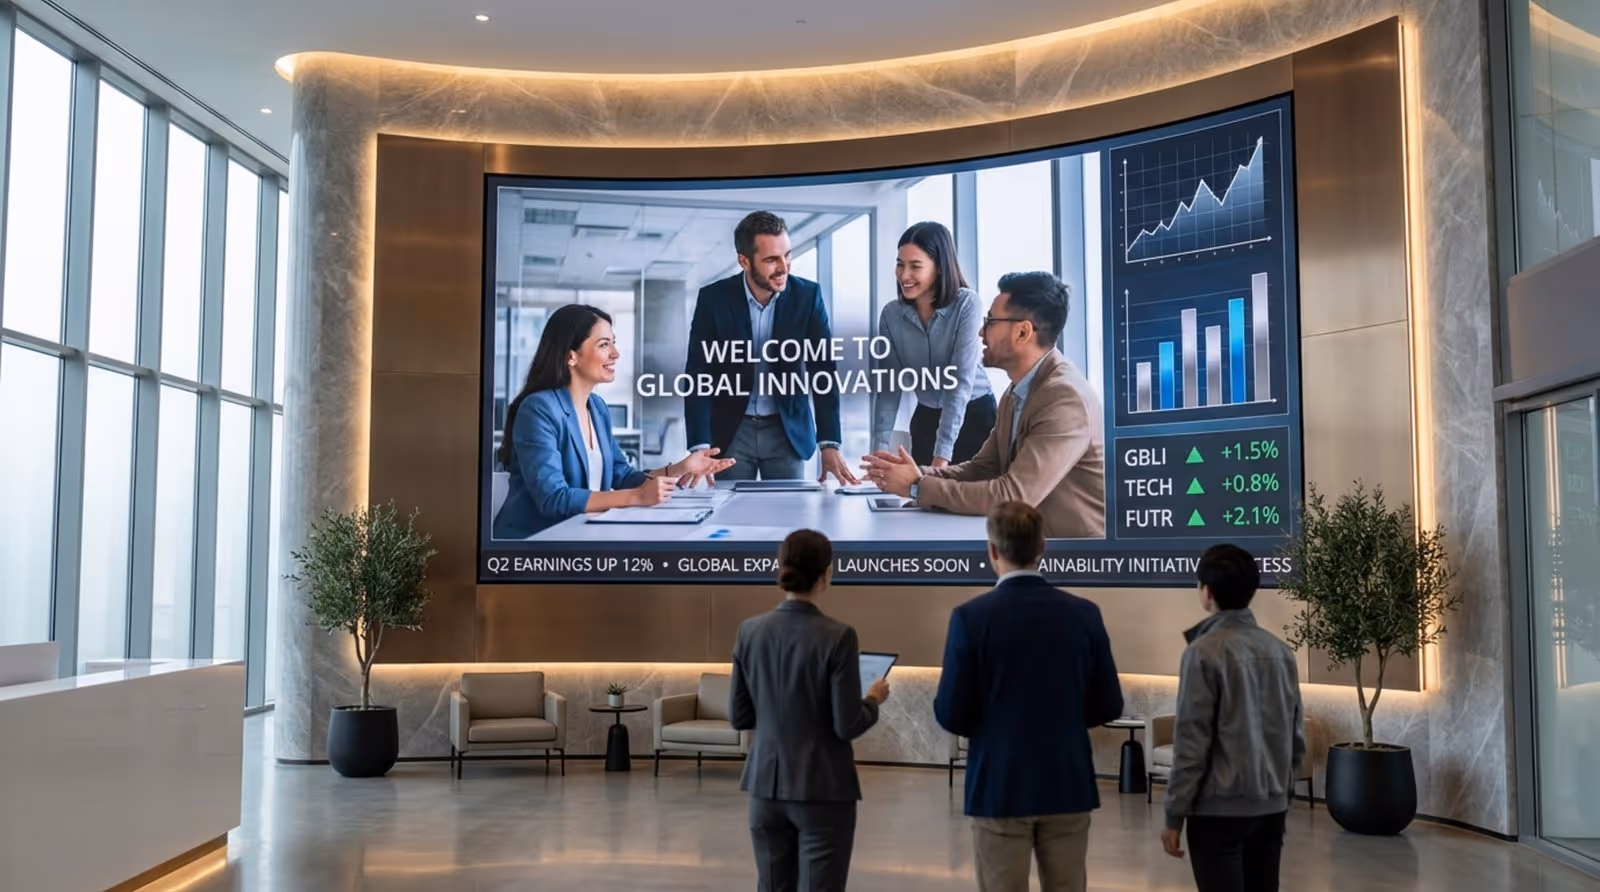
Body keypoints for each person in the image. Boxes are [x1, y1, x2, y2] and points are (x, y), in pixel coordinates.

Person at [934, 501, 1124, 892]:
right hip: (1067, 782)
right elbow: (1109, 705)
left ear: (991, 551)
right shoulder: (1084, 614)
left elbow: (952, 713)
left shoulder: (970, 618)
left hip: (998, 786)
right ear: (1043, 548)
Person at [859, 271, 1106, 539]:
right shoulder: (1018, 390)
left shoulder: (1063, 398)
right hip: (1032, 548)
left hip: (1076, 561)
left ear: (1023, 332)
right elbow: (982, 468)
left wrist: (918, 487)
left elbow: (1013, 496)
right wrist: (919, 473)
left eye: (990, 321)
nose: (980, 331)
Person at [729, 529, 891, 892]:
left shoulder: (749, 631)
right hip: (823, 790)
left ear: (780, 568)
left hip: (764, 790)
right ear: (826, 574)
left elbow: (739, 717)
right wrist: (873, 700)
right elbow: (847, 724)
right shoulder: (839, 636)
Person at [493, 304, 734, 539]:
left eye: (614, 343)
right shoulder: (539, 409)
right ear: (571, 356)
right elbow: (553, 498)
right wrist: (636, 497)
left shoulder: (596, 407)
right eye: (604, 345)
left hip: (579, 535)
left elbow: (623, 476)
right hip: (533, 545)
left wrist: (681, 468)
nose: (615, 354)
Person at [1161, 544, 1306, 892]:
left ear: (1206, 592)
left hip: (1218, 810)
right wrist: (1282, 792)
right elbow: (1295, 735)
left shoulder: (1201, 653)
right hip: (1271, 806)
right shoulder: (1280, 651)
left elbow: (1191, 743)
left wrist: (1173, 815)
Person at [683, 210, 858, 485]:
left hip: (786, 431)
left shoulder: (808, 297)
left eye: (787, 255)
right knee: (732, 520)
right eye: (771, 260)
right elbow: (698, 375)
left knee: (788, 521)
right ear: (745, 261)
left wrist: (830, 443)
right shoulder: (713, 299)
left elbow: (823, 371)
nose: (784, 267)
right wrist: (699, 445)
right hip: (732, 432)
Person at [872, 221, 996, 467]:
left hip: (974, 415)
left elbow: (959, 385)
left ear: (939, 267)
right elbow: (888, 387)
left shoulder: (966, 304)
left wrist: (942, 458)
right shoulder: (891, 315)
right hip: (926, 417)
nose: (904, 275)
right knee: (922, 501)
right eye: (900, 264)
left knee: (970, 500)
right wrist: (879, 451)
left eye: (915, 266)